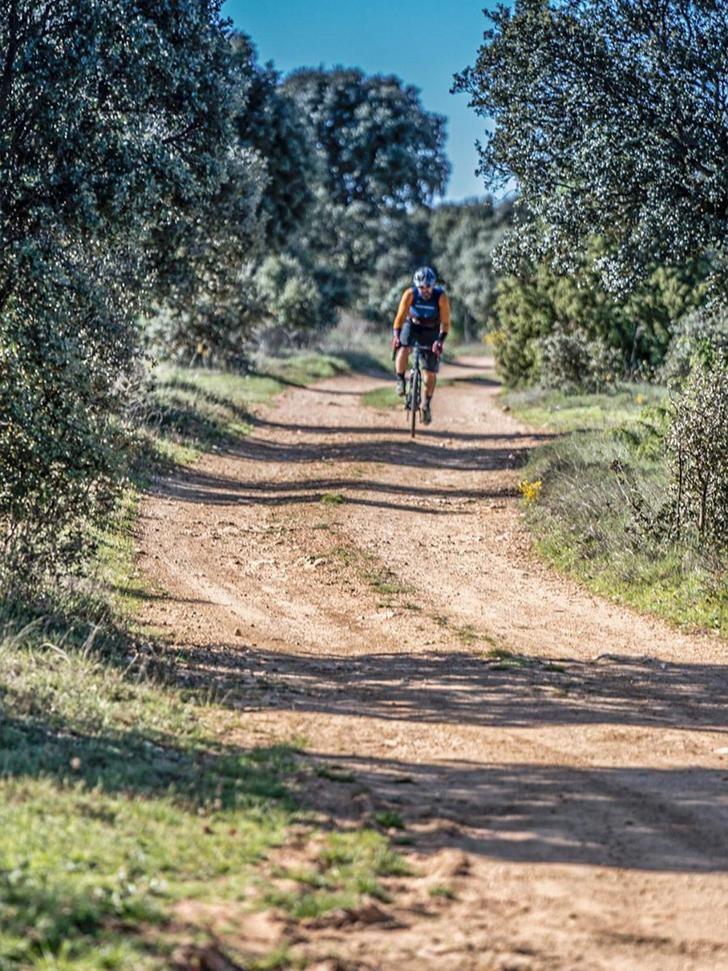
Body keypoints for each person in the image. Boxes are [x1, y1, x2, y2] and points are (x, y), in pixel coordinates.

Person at [391, 266, 450, 425]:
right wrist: (396, 336)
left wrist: (440, 340)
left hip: (431, 329)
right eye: (422, 287)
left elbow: (445, 323)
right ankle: (400, 380)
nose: (425, 290)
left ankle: (426, 404)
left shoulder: (440, 297)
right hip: (413, 325)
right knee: (403, 348)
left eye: (428, 287)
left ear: (433, 285)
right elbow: (400, 317)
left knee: (430, 373)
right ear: (417, 286)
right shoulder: (410, 295)